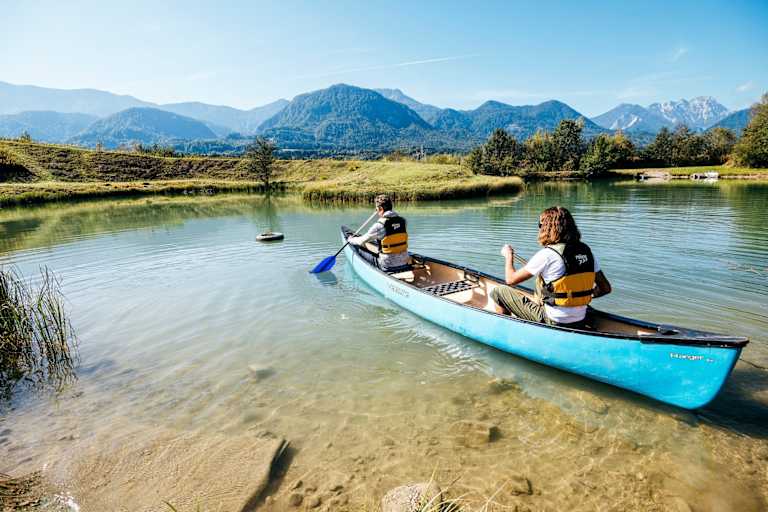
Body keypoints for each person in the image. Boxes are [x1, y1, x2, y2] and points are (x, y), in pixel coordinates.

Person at [490, 206, 611, 328]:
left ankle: (505, 329)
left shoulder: (547, 254)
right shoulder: (586, 252)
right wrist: (581, 297)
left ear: (547, 228)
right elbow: (605, 288)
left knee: (498, 292)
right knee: (541, 284)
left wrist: (508, 256)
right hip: (581, 317)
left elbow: (510, 279)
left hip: (554, 320)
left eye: (540, 225)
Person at [346, 194, 410, 271]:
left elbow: (362, 241)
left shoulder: (379, 225)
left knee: (357, 247)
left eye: (376, 209)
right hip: (405, 262)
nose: (376, 211)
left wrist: (350, 239)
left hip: (387, 265)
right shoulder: (403, 221)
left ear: (380, 208)